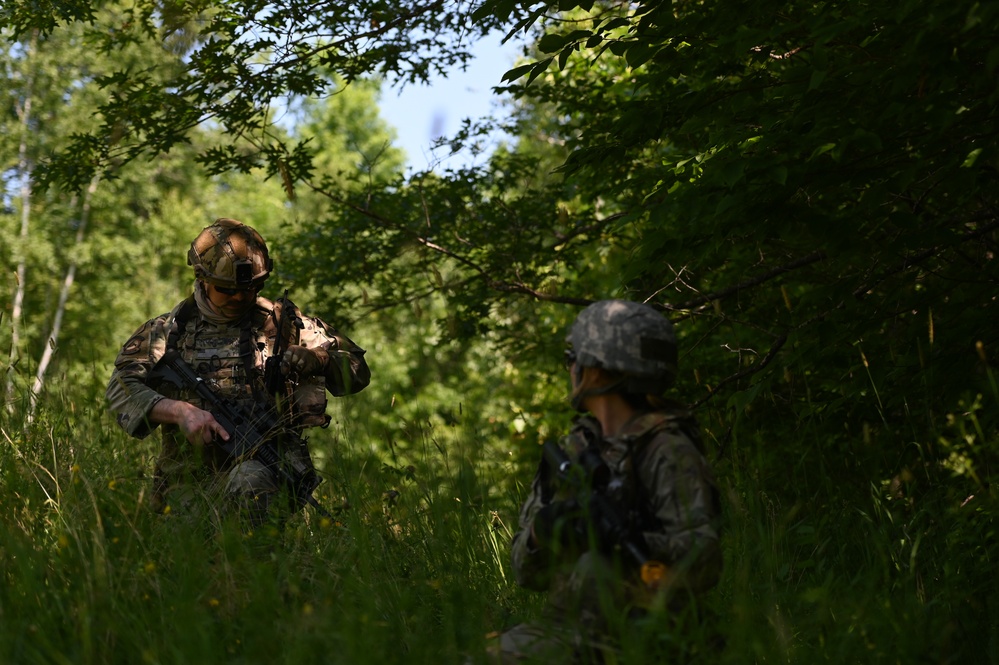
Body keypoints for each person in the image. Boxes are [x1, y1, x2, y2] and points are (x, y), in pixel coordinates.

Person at [496, 299, 722, 663]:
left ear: (597, 372)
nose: (569, 368)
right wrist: (544, 532)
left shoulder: (667, 450)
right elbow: (526, 574)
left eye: (573, 358)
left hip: (650, 638)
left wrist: (625, 544)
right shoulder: (574, 450)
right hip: (569, 630)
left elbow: (705, 561)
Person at [106, 217, 370, 524]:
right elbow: (120, 389)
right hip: (185, 486)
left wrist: (320, 360)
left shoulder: (286, 327)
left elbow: (358, 369)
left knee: (251, 488)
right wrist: (179, 412)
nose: (240, 297)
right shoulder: (167, 332)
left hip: (266, 471)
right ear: (202, 278)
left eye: (252, 288)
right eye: (226, 290)